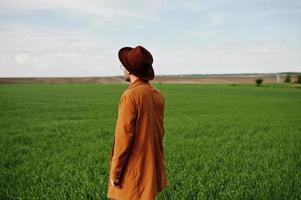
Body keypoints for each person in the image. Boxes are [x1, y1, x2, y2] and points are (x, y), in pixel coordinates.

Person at [107, 46, 168, 200]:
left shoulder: (131, 96)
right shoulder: (157, 95)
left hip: (133, 172)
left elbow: (123, 139)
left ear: (128, 70)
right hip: (151, 169)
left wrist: (115, 173)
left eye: (123, 66)